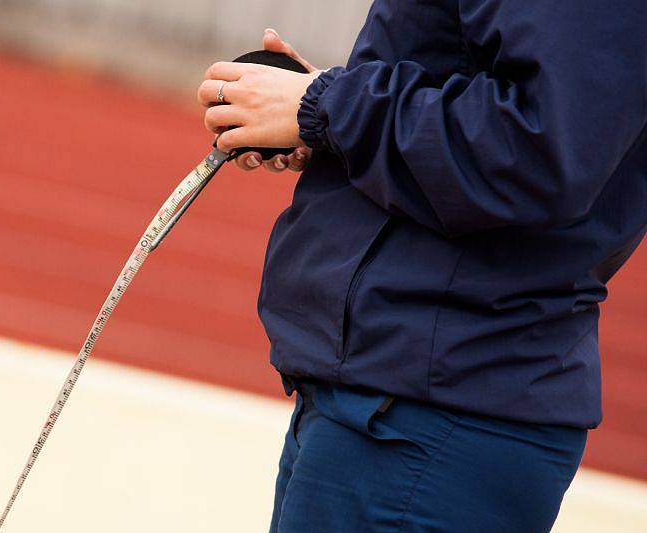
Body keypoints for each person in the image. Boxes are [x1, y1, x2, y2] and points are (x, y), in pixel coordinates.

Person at [197, 2, 647, 532]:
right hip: (399, 392)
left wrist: (328, 103)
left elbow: (538, 150)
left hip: (434, 411)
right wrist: (326, 114)